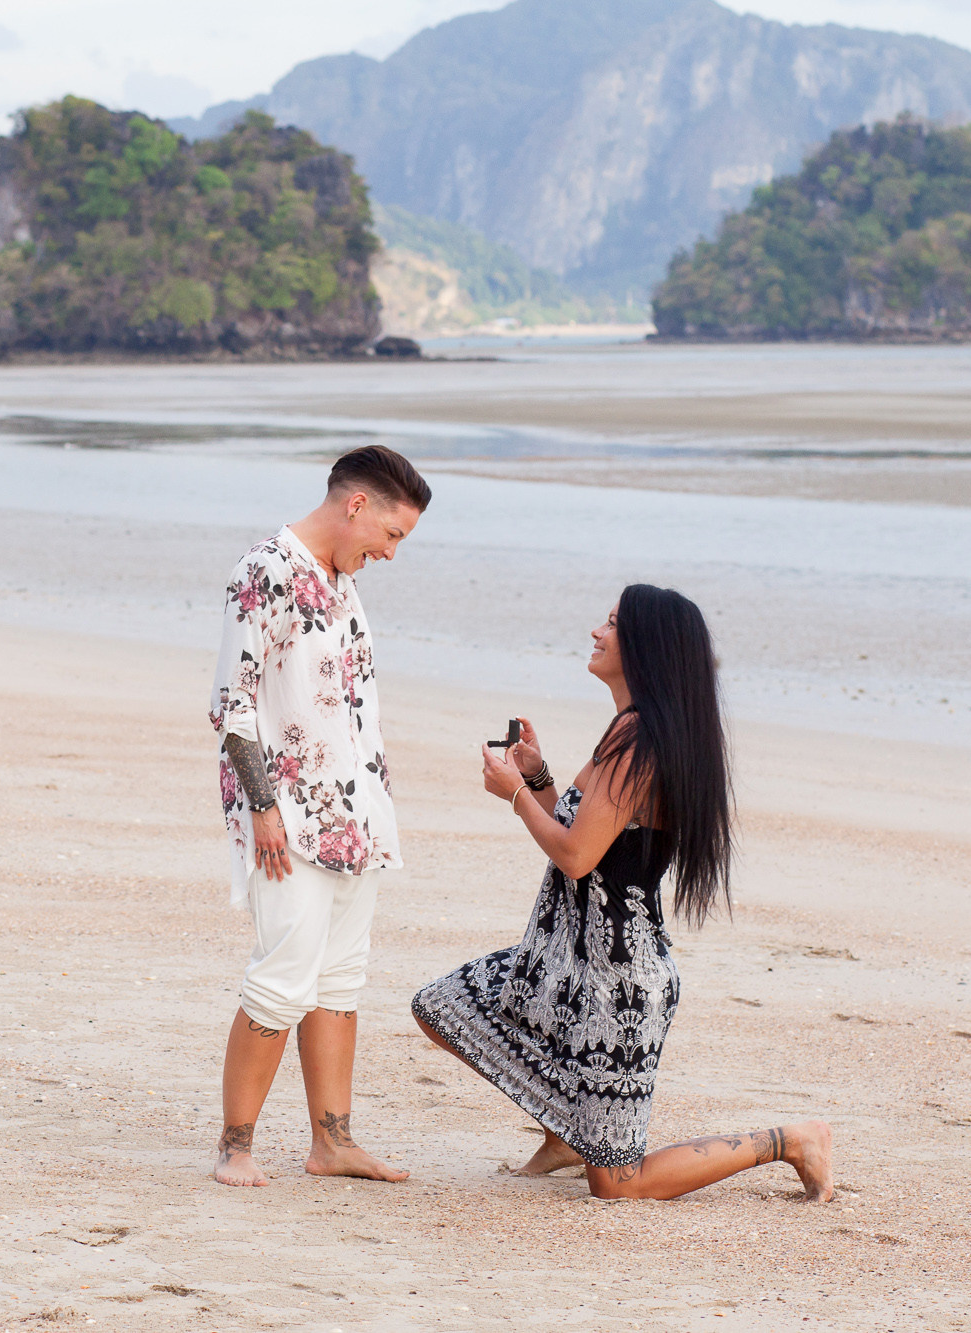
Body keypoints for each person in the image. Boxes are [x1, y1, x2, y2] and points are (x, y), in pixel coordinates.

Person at [411, 585, 834, 1201]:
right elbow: (588, 834)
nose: (596, 632)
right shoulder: (631, 731)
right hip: (564, 964)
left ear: (644, 646)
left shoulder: (638, 740)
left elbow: (577, 857)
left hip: (618, 982)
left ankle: (793, 1139)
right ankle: (570, 1124)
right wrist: (536, 777)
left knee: (618, 1185)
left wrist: (515, 796)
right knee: (444, 1008)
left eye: (611, 624)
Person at [207, 444, 432, 1187]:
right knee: (282, 978)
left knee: (340, 979)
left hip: (356, 813)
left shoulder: (342, 579)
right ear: (356, 505)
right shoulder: (265, 570)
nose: (392, 553)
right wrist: (263, 808)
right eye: (392, 535)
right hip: (288, 817)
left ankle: (331, 1142)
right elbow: (233, 707)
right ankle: (234, 1146)